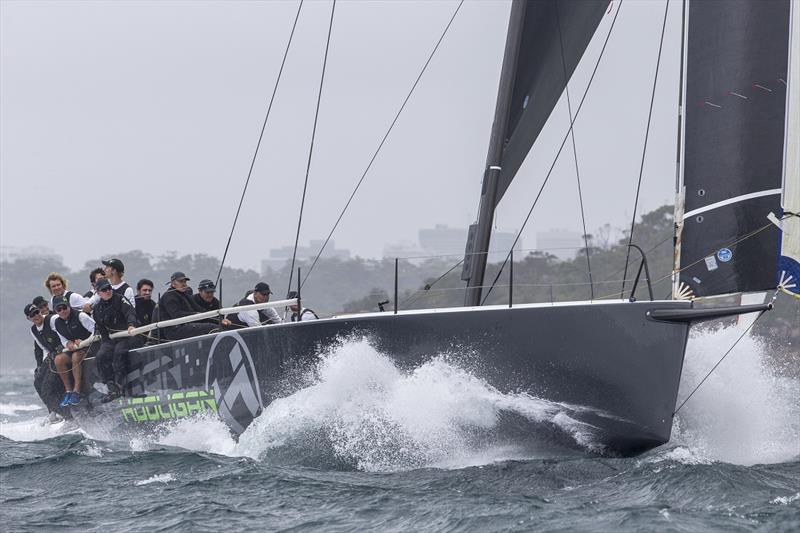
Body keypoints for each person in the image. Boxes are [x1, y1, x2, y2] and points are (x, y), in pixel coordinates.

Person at [91, 278, 137, 402]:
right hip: (112, 339)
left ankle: (120, 384)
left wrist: (131, 324)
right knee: (101, 356)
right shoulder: (97, 309)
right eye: (104, 290)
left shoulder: (120, 299)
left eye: (109, 288)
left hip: (127, 336)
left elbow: (130, 312)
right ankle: (111, 386)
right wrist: (105, 343)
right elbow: (102, 329)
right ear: (98, 292)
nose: (108, 291)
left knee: (119, 353)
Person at [52, 295, 96, 407]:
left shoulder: (80, 316)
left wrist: (83, 341)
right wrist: (68, 343)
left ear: (69, 306)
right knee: (58, 359)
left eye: (64, 307)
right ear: (55, 311)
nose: (62, 311)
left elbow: (96, 330)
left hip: (90, 347)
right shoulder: (57, 323)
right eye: (59, 309)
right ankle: (69, 392)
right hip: (75, 348)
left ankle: (77, 392)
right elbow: (63, 339)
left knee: (76, 356)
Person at [25, 303, 65, 416]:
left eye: (37, 312)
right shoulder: (33, 330)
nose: (36, 316)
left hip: (64, 353)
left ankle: (67, 415)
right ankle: (53, 410)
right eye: (32, 315)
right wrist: (42, 364)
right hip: (51, 356)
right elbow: (43, 348)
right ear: (28, 318)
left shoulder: (53, 319)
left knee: (47, 389)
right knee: (37, 381)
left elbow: (66, 330)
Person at [157, 272, 217, 340]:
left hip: (186, 326)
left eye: (185, 281)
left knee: (219, 326)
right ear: (173, 283)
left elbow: (199, 309)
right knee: (212, 328)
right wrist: (195, 314)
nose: (184, 284)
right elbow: (176, 315)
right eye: (180, 281)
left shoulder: (185, 295)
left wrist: (217, 319)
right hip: (175, 330)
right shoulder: (169, 296)